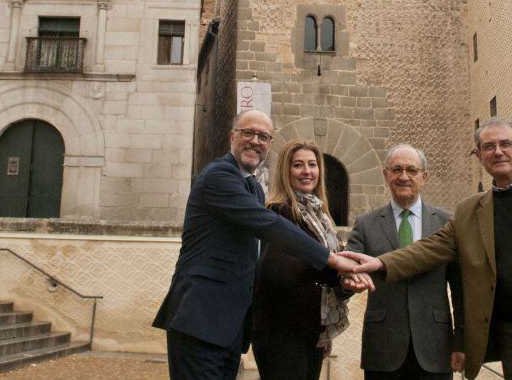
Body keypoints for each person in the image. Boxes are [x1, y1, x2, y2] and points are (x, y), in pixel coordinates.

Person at [343, 117, 512, 380]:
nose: (498, 152)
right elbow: (429, 248)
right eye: (488, 147)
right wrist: (381, 263)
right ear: (479, 156)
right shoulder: (470, 211)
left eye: (505, 144)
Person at [153, 110, 369, 380]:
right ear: (232, 136)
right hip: (201, 317)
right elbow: (270, 226)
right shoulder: (219, 176)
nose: (255, 141)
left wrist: (340, 282)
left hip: (229, 328)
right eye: (248, 133)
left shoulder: (253, 187)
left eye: (263, 137)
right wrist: (334, 261)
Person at [345, 144, 465, 380]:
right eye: (397, 169)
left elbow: (461, 288)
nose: (404, 176)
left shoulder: (447, 223)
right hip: (383, 347)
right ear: (386, 175)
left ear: (424, 177)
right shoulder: (366, 224)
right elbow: (350, 269)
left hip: (435, 347)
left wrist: (461, 341)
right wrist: (348, 280)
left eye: (411, 170)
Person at [251, 139, 349, 380]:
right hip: (280, 332)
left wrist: (346, 283)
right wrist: (336, 271)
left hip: (311, 331)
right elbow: (278, 271)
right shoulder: (278, 212)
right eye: (298, 165)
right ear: (286, 171)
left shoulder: (321, 214)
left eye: (312, 165)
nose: (307, 171)